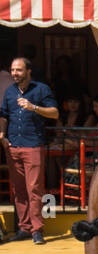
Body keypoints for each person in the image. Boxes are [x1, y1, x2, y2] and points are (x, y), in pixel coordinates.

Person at [0, 56, 58, 244]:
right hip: (13, 145)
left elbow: (54, 113)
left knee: (34, 188)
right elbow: (4, 115)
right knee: (19, 190)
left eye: (19, 70)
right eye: (13, 70)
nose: (15, 73)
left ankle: (37, 230)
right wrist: (1, 134)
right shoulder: (10, 92)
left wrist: (33, 107)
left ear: (28, 71)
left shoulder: (41, 89)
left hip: (33, 144)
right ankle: (24, 228)